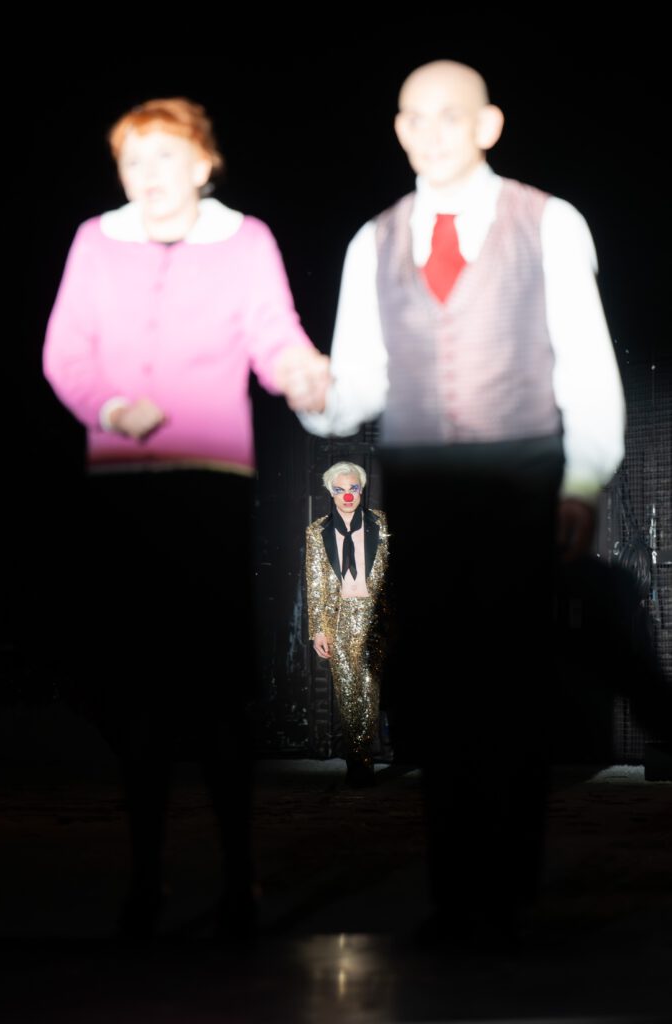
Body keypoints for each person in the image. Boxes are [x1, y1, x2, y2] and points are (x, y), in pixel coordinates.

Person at [299, 60, 627, 944]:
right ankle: (455, 894)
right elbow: (356, 387)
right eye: (415, 116)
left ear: (487, 126)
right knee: (437, 685)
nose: (432, 131)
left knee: (510, 679)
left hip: (520, 468)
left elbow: (584, 363)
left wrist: (581, 479)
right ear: (398, 131)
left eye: (451, 114)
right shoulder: (371, 241)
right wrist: (313, 394)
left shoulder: (547, 220)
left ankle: (509, 890)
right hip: (421, 478)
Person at [42, 96, 328, 941]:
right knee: (137, 691)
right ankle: (144, 881)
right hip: (124, 490)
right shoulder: (96, 241)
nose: (148, 176)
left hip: (210, 485)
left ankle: (241, 882)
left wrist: (301, 372)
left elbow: (273, 336)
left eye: (165, 157)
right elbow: (64, 351)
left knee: (213, 691)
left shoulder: (245, 241)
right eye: (133, 161)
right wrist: (110, 407)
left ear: (204, 164)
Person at [305, 462, 390, 787]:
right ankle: (358, 760)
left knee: (368, 689)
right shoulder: (317, 531)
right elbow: (315, 583)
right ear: (330, 492)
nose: (347, 496)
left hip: (374, 616)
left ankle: (362, 758)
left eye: (353, 488)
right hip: (339, 617)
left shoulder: (382, 523)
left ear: (362, 489)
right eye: (339, 490)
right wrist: (318, 629)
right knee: (348, 692)